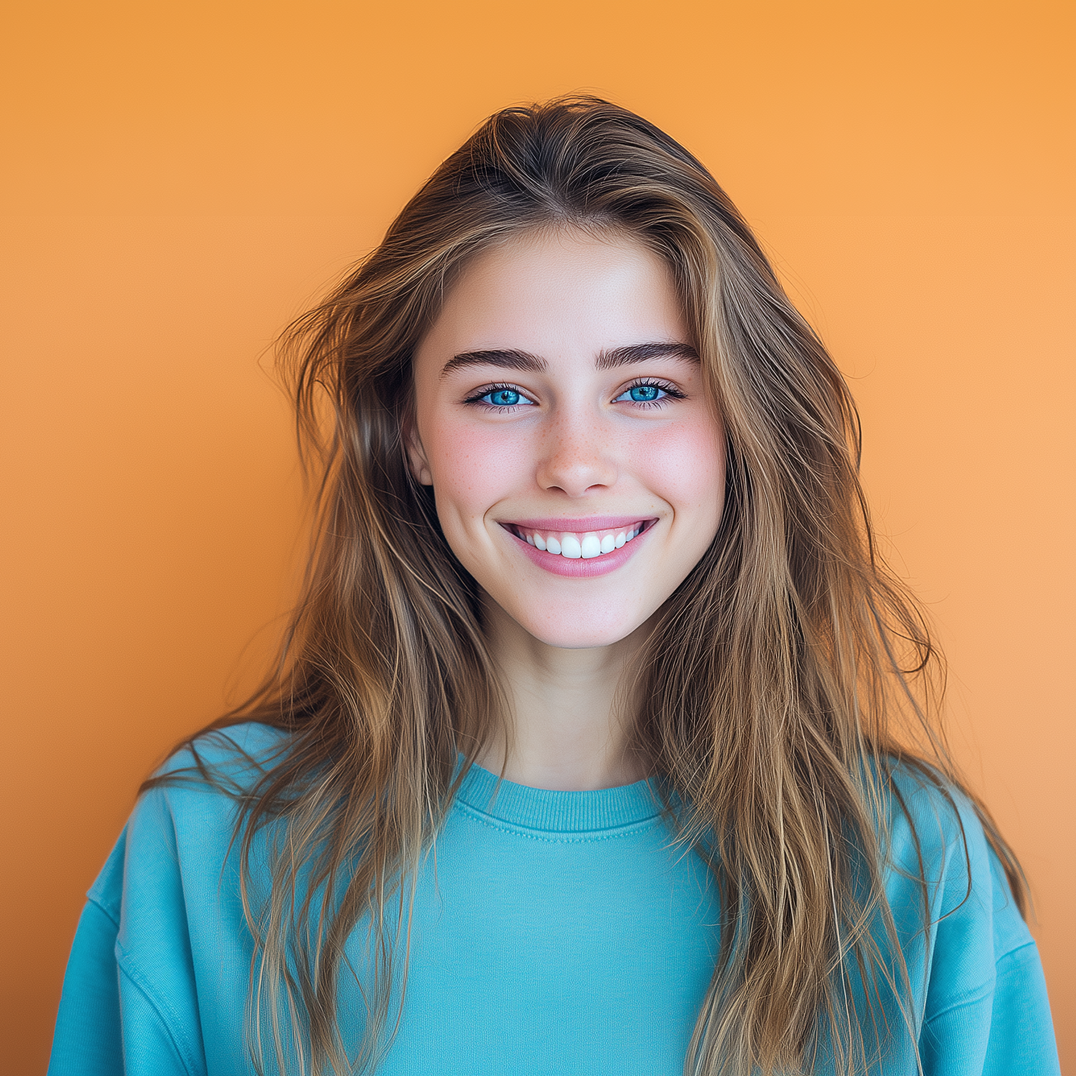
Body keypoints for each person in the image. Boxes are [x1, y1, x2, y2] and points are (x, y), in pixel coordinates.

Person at [48, 97, 1060, 1076]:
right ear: (408, 435)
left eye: (647, 388)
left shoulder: (913, 873)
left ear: (738, 427)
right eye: (499, 391)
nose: (575, 461)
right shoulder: (207, 847)